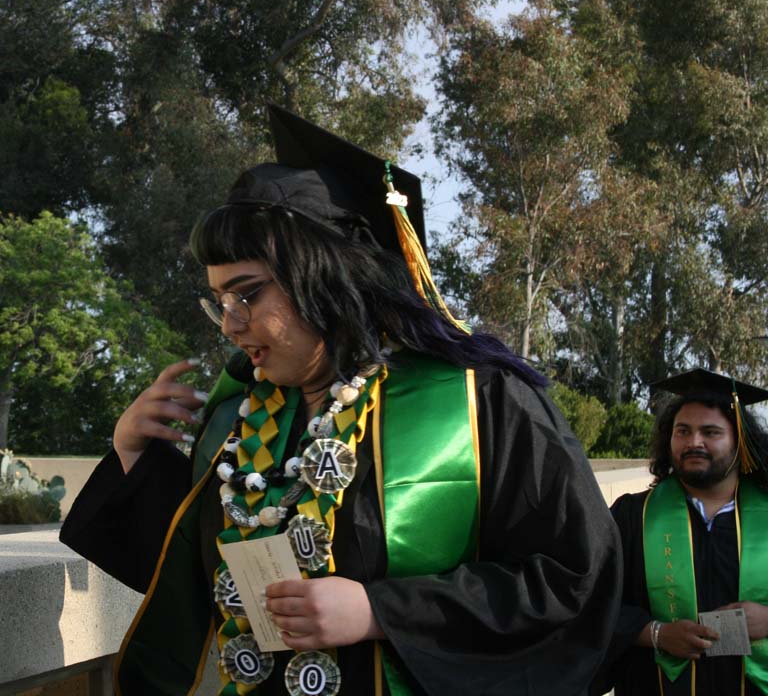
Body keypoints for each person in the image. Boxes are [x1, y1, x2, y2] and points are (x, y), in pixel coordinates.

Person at [61, 105, 621, 696]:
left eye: (246, 294)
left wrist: (380, 612)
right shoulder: (240, 415)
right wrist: (131, 456)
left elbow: (573, 579)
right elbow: (199, 585)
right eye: (218, 301)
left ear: (325, 275)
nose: (229, 324)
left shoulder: (477, 400)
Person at [596, 369, 768, 695]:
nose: (694, 442)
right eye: (682, 431)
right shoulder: (633, 516)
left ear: (740, 442)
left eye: (710, 432)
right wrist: (657, 634)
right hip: (654, 685)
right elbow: (593, 600)